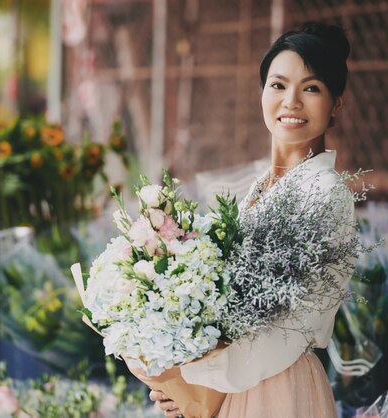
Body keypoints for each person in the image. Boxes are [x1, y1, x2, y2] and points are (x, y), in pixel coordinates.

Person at [140, 22, 355, 418]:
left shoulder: (325, 195)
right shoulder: (259, 186)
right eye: (277, 85)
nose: (291, 101)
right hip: (231, 387)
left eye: (311, 88)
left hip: (279, 389)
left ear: (335, 105)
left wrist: (190, 375)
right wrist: (173, 375)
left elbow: (290, 331)